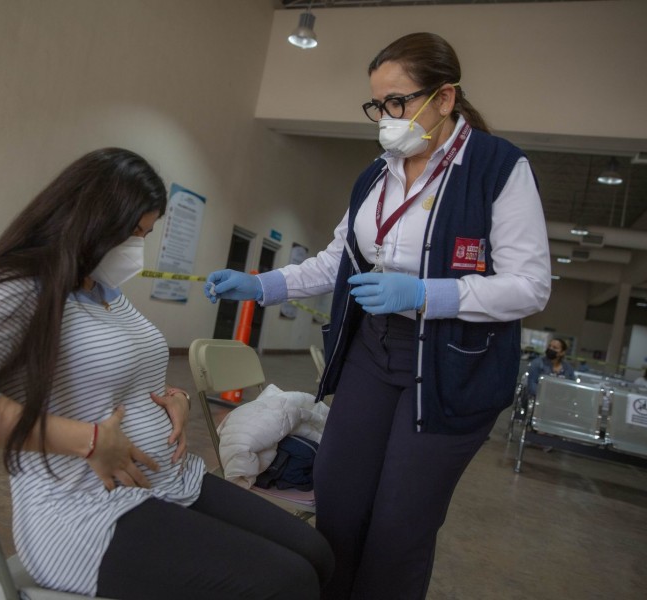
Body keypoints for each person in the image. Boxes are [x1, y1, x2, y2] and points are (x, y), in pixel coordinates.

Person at [204, 32, 550, 600]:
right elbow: (340, 259)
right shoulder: (378, 172)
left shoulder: (498, 167)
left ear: (445, 97)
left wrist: (426, 294)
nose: (386, 117)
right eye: (377, 104)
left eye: (398, 101)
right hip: (373, 350)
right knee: (339, 500)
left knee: (399, 527)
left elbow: (530, 287)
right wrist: (264, 283)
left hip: (449, 366)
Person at [0, 148, 333, 599]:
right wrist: (91, 441)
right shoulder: (16, 287)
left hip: (170, 481)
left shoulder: (103, 289)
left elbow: (123, 366)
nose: (138, 248)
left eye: (146, 234)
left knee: (317, 555)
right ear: (90, 217)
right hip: (85, 510)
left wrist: (175, 399)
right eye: (134, 232)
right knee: (288, 582)